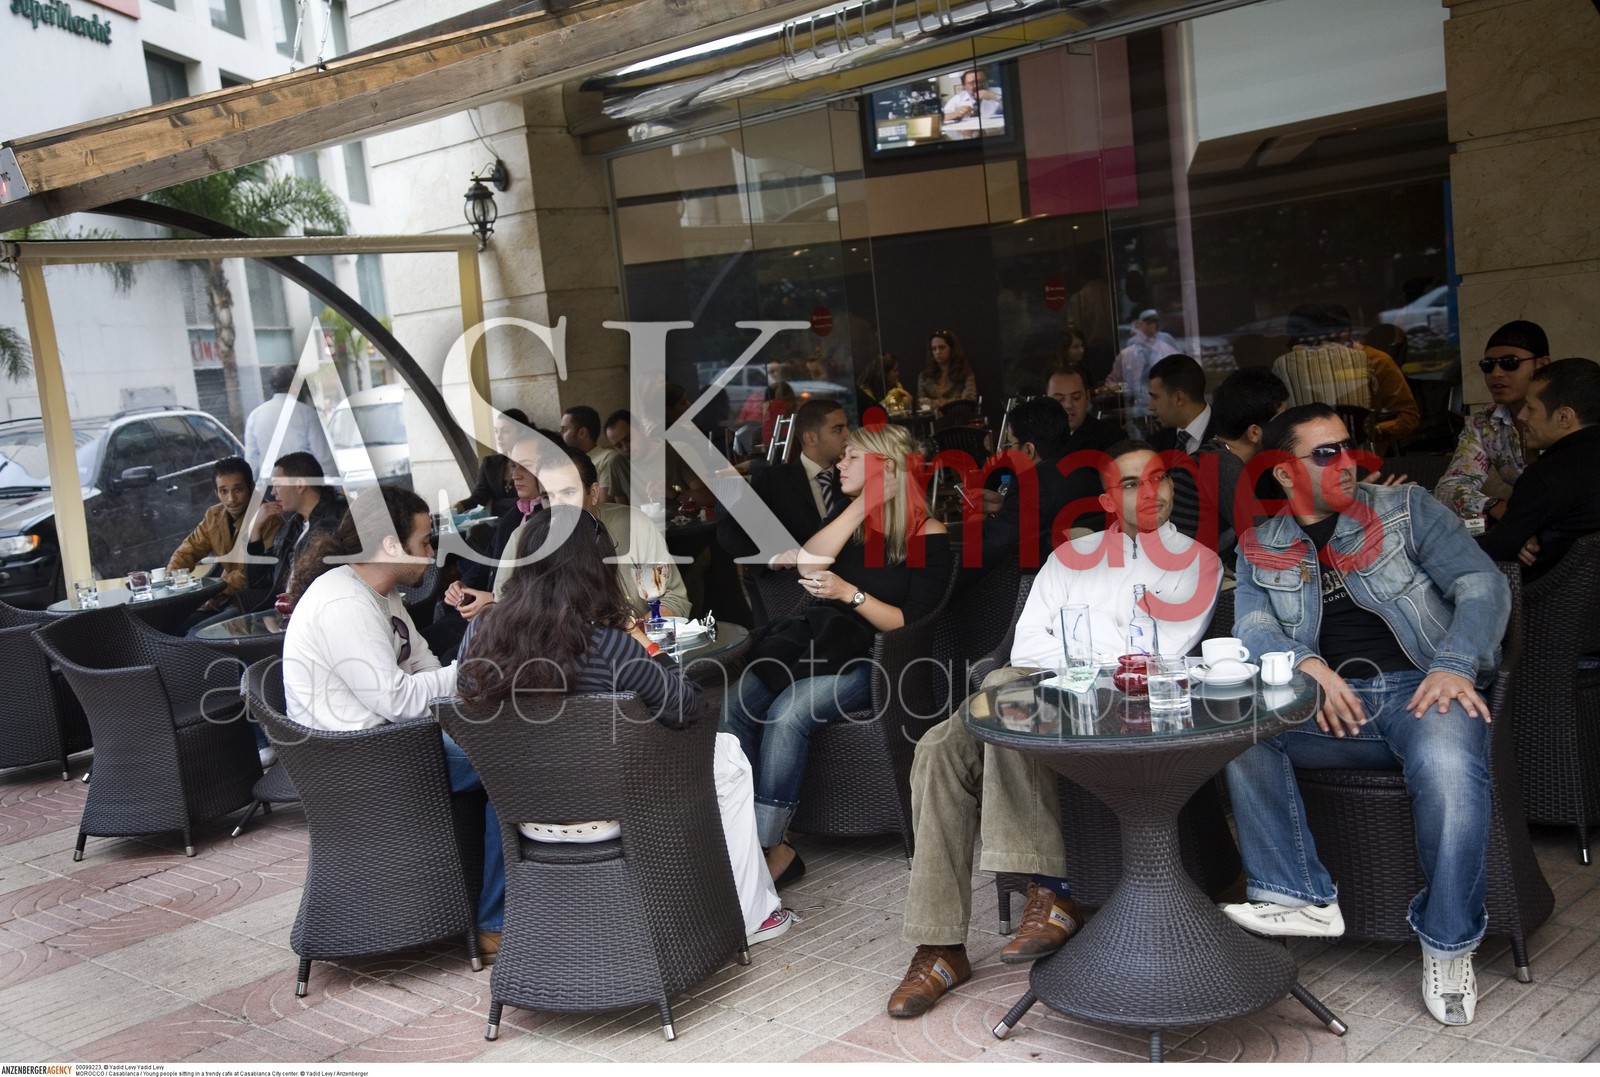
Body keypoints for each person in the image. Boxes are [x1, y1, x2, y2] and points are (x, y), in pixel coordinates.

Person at [888, 440, 1221, 1018]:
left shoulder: (1197, 562)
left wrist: (1074, 645)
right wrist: (1099, 644)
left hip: (1119, 711)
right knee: (939, 747)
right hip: (1041, 689)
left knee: (1010, 694)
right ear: (1106, 500)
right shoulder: (1071, 556)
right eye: (1130, 483)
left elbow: (1154, 657)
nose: (1150, 492)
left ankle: (1050, 887)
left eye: (1159, 478)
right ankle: (941, 946)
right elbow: (1027, 646)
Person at [1222, 403, 1510, 1027]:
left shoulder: (1406, 510)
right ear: (1283, 471)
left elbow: (1482, 584)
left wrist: (1455, 665)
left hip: (1423, 690)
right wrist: (1309, 669)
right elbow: (1252, 627)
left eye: (1347, 447)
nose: (1346, 461)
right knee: (1241, 730)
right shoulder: (1259, 545)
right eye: (1324, 453)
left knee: (1449, 773)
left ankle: (1448, 946)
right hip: (1332, 706)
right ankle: (1299, 894)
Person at [457, 506, 793, 946]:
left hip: (521, 815)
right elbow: (686, 707)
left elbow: (467, 704)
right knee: (727, 752)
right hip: (611, 814)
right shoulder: (610, 646)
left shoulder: (479, 635)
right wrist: (645, 643)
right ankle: (750, 915)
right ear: (595, 567)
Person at [280, 485, 505, 962]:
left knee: (504, 740)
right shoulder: (344, 603)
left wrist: (460, 687)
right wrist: (469, 672)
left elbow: (424, 666)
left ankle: (494, 907)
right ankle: (494, 925)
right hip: (363, 761)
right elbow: (399, 699)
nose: (432, 552)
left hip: (394, 740)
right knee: (511, 764)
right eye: (423, 541)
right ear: (389, 545)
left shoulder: (380, 593)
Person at [720, 423, 953, 886]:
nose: (839, 464)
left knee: (790, 711)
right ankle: (745, 835)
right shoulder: (853, 518)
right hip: (820, 645)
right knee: (735, 704)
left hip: (875, 659)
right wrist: (864, 504)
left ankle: (768, 847)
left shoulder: (928, 532)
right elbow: (809, 564)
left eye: (851, 457)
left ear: (884, 466)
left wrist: (850, 593)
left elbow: (908, 623)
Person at [506, 445, 691, 620]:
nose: (558, 507)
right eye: (547, 497)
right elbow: (506, 608)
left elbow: (674, 598)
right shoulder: (523, 538)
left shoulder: (635, 525)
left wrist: (634, 635)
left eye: (568, 493)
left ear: (593, 493)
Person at [1475, 358, 1600, 582]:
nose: (1522, 416)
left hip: (1545, 598)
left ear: (1564, 417)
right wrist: (1524, 535)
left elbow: (1489, 555)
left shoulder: (1546, 476)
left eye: (1531, 408)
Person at [1435, 320, 1552, 524]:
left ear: (1542, 365)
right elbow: (1449, 488)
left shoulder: (1568, 413)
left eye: (1510, 363)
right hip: (1524, 523)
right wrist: (1493, 506)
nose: (1496, 373)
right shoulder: (1483, 422)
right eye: (1487, 365)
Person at [1269, 304, 1419, 454]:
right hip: (1359, 454)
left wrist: (1376, 429)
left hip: (1315, 456)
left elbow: (1408, 417)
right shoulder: (1361, 359)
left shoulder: (1376, 360)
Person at [718, 398, 852, 562]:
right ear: (811, 438)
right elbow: (730, 530)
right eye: (838, 430)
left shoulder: (852, 476)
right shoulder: (774, 480)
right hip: (798, 570)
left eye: (847, 427)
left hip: (853, 568)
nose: (848, 435)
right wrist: (772, 558)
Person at [1191, 368, 1288, 564]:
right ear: (1254, 433)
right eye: (1282, 420)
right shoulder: (1223, 465)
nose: (1288, 427)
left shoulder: (1214, 455)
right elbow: (1267, 547)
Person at [167, 456, 283, 611]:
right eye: (223, 491)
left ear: (251, 487)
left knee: (195, 626)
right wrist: (171, 580)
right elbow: (187, 552)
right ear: (216, 492)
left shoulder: (268, 518)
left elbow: (249, 574)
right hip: (223, 596)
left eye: (238, 489)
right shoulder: (213, 515)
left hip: (255, 600)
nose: (231, 499)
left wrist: (211, 592)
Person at [243, 451, 345, 611]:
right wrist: (255, 530)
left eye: (278, 484)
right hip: (285, 611)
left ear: (300, 485)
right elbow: (259, 583)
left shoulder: (338, 521)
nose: (273, 492)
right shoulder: (291, 529)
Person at [1146, 354, 1214, 540]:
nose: (1150, 407)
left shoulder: (1229, 433)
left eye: (1155, 397)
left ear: (1178, 398)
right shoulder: (1154, 445)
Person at [243, 365, 336, 479]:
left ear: (271, 387)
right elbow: (323, 456)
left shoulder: (255, 416)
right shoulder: (307, 413)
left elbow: (252, 460)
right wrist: (332, 482)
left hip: (271, 483)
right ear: (295, 385)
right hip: (303, 483)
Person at [454, 408, 529, 518]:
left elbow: (532, 499)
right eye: (496, 431)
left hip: (527, 518)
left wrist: (496, 504)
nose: (499, 437)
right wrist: (457, 507)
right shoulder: (489, 464)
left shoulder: (531, 461)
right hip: (499, 522)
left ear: (522, 432)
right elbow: (479, 497)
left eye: (505, 431)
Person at [1104, 309, 1179, 419]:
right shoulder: (1130, 350)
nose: (1153, 326)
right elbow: (1113, 382)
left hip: (1167, 406)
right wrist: (1127, 389)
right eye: (1149, 322)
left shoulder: (1166, 344)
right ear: (1141, 324)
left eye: (1155, 322)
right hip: (1139, 407)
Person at [559, 405, 621, 503]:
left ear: (582, 433)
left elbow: (604, 505)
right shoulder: (567, 463)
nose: (560, 433)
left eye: (564, 429)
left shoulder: (607, 458)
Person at [917, 331, 978, 416]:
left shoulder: (965, 372)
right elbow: (921, 402)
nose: (938, 352)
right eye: (934, 349)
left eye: (942, 347)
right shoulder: (924, 376)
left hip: (958, 418)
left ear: (952, 349)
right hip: (933, 421)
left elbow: (969, 400)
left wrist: (936, 403)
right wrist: (954, 401)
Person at [602, 408, 633, 505]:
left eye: (628, 440)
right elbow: (623, 509)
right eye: (619, 446)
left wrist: (672, 492)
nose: (626, 448)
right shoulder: (617, 463)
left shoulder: (671, 452)